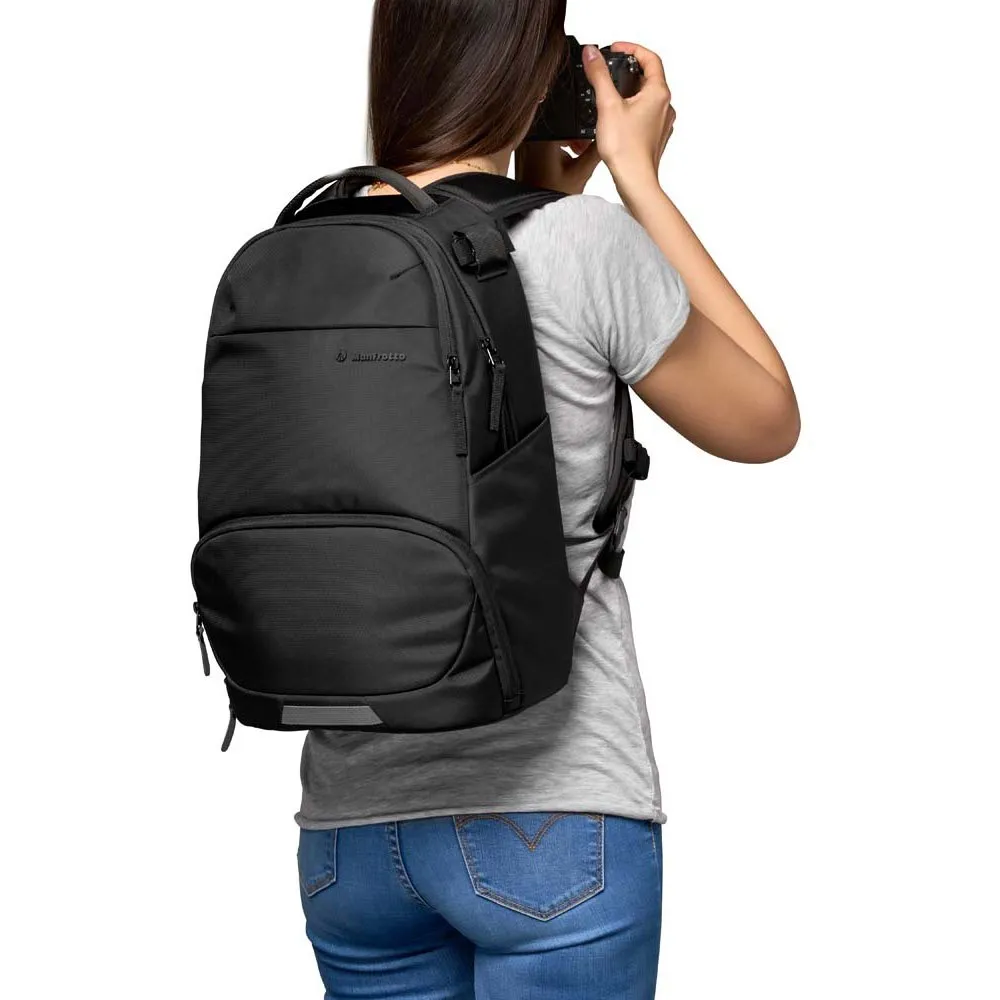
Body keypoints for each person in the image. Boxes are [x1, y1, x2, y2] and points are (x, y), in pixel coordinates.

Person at [295, 1, 800, 997]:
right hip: (551, 821)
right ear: (532, 72)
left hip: (347, 830)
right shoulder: (578, 243)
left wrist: (527, 193)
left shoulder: (312, 245)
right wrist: (638, 181)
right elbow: (764, 419)